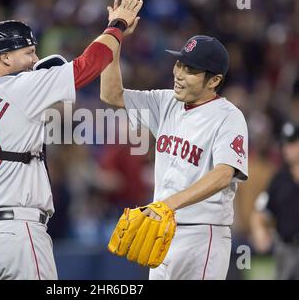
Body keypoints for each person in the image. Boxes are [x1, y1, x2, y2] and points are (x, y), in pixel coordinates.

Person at [0, 0, 143, 280]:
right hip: (17, 232)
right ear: (5, 57)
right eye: (29, 52)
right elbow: (90, 64)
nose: (36, 59)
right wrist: (117, 25)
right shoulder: (21, 86)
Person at [100, 22, 249, 278]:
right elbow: (111, 94)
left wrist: (167, 205)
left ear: (214, 80)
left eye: (190, 69)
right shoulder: (165, 101)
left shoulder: (228, 117)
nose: (178, 73)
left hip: (203, 235)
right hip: (162, 232)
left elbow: (225, 173)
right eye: (179, 64)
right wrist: (114, 34)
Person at [250, 122, 299, 279]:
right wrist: (259, 230)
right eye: (285, 144)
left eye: (292, 143)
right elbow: (260, 211)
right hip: (285, 249)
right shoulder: (279, 179)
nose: (286, 149)